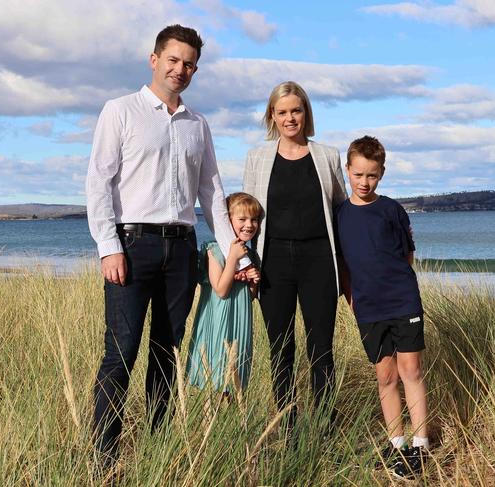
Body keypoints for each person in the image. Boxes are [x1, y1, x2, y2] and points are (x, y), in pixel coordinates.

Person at [85, 24, 250, 466]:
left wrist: (238, 252)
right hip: (132, 244)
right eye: (173, 60)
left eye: (190, 64)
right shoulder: (119, 111)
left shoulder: (199, 124)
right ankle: (103, 459)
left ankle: (158, 455)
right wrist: (108, 246)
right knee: (121, 354)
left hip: (182, 248)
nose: (181, 69)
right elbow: (98, 183)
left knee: (167, 354)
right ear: (154, 59)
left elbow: (213, 194)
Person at [243, 81, 347, 428]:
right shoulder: (257, 158)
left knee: (321, 348)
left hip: (319, 259)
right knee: (281, 349)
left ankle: (325, 425)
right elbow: (246, 215)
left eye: (296, 110)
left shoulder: (328, 155)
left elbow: (342, 212)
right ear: (272, 116)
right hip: (273, 263)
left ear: (306, 113)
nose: (290, 118)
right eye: (283, 111)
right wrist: (244, 262)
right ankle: (286, 426)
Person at [336, 136, 429, 479]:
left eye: (372, 176)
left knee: (411, 371)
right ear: (348, 170)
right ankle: (396, 445)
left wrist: (399, 287)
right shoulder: (341, 214)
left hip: (403, 300)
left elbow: (407, 254)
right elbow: (344, 263)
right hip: (368, 307)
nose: (364, 182)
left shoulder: (391, 209)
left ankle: (420, 445)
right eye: (358, 174)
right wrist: (352, 297)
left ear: (382, 174)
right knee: (385, 377)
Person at [186, 192, 262, 396]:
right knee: (215, 377)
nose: (249, 225)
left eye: (254, 219)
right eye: (242, 219)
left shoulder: (251, 254)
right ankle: (208, 423)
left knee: (233, 380)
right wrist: (233, 259)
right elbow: (220, 289)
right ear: (227, 221)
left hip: (239, 319)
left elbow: (251, 296)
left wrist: (254, 281)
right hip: (219, 318)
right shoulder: (214, 250)